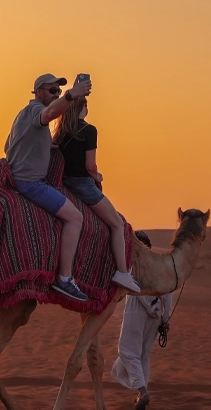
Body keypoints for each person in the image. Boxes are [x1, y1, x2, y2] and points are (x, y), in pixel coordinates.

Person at [5, 73, 138, 302]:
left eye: (59, 91)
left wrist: (46, 145)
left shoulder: (23, 115)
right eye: (52, 91)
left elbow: (8, 145)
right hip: (32, 184)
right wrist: (71, 94)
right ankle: (65, 278)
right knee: (76, 218)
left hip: (28, 178)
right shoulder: (38, 112)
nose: (56, 94)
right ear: (38, 92)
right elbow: (48, 114)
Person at [53, 95, 140, 293]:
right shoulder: (89, 130)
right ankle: (122, 272)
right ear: (85, 106)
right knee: (117, 224)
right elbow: (90, 166)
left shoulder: (60, 133)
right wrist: (98, 177)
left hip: (64, 182)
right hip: (83, 184)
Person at [111, 231, 172, 410]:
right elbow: (168, 290)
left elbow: (136, 287)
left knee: (127, 351)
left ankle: (142, 390)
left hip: (137, 312)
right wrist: (165, 318)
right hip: (156, 316)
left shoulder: (134, 264)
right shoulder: (159, 265)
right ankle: (141, 395)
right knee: (143, 354)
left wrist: (152, 308)